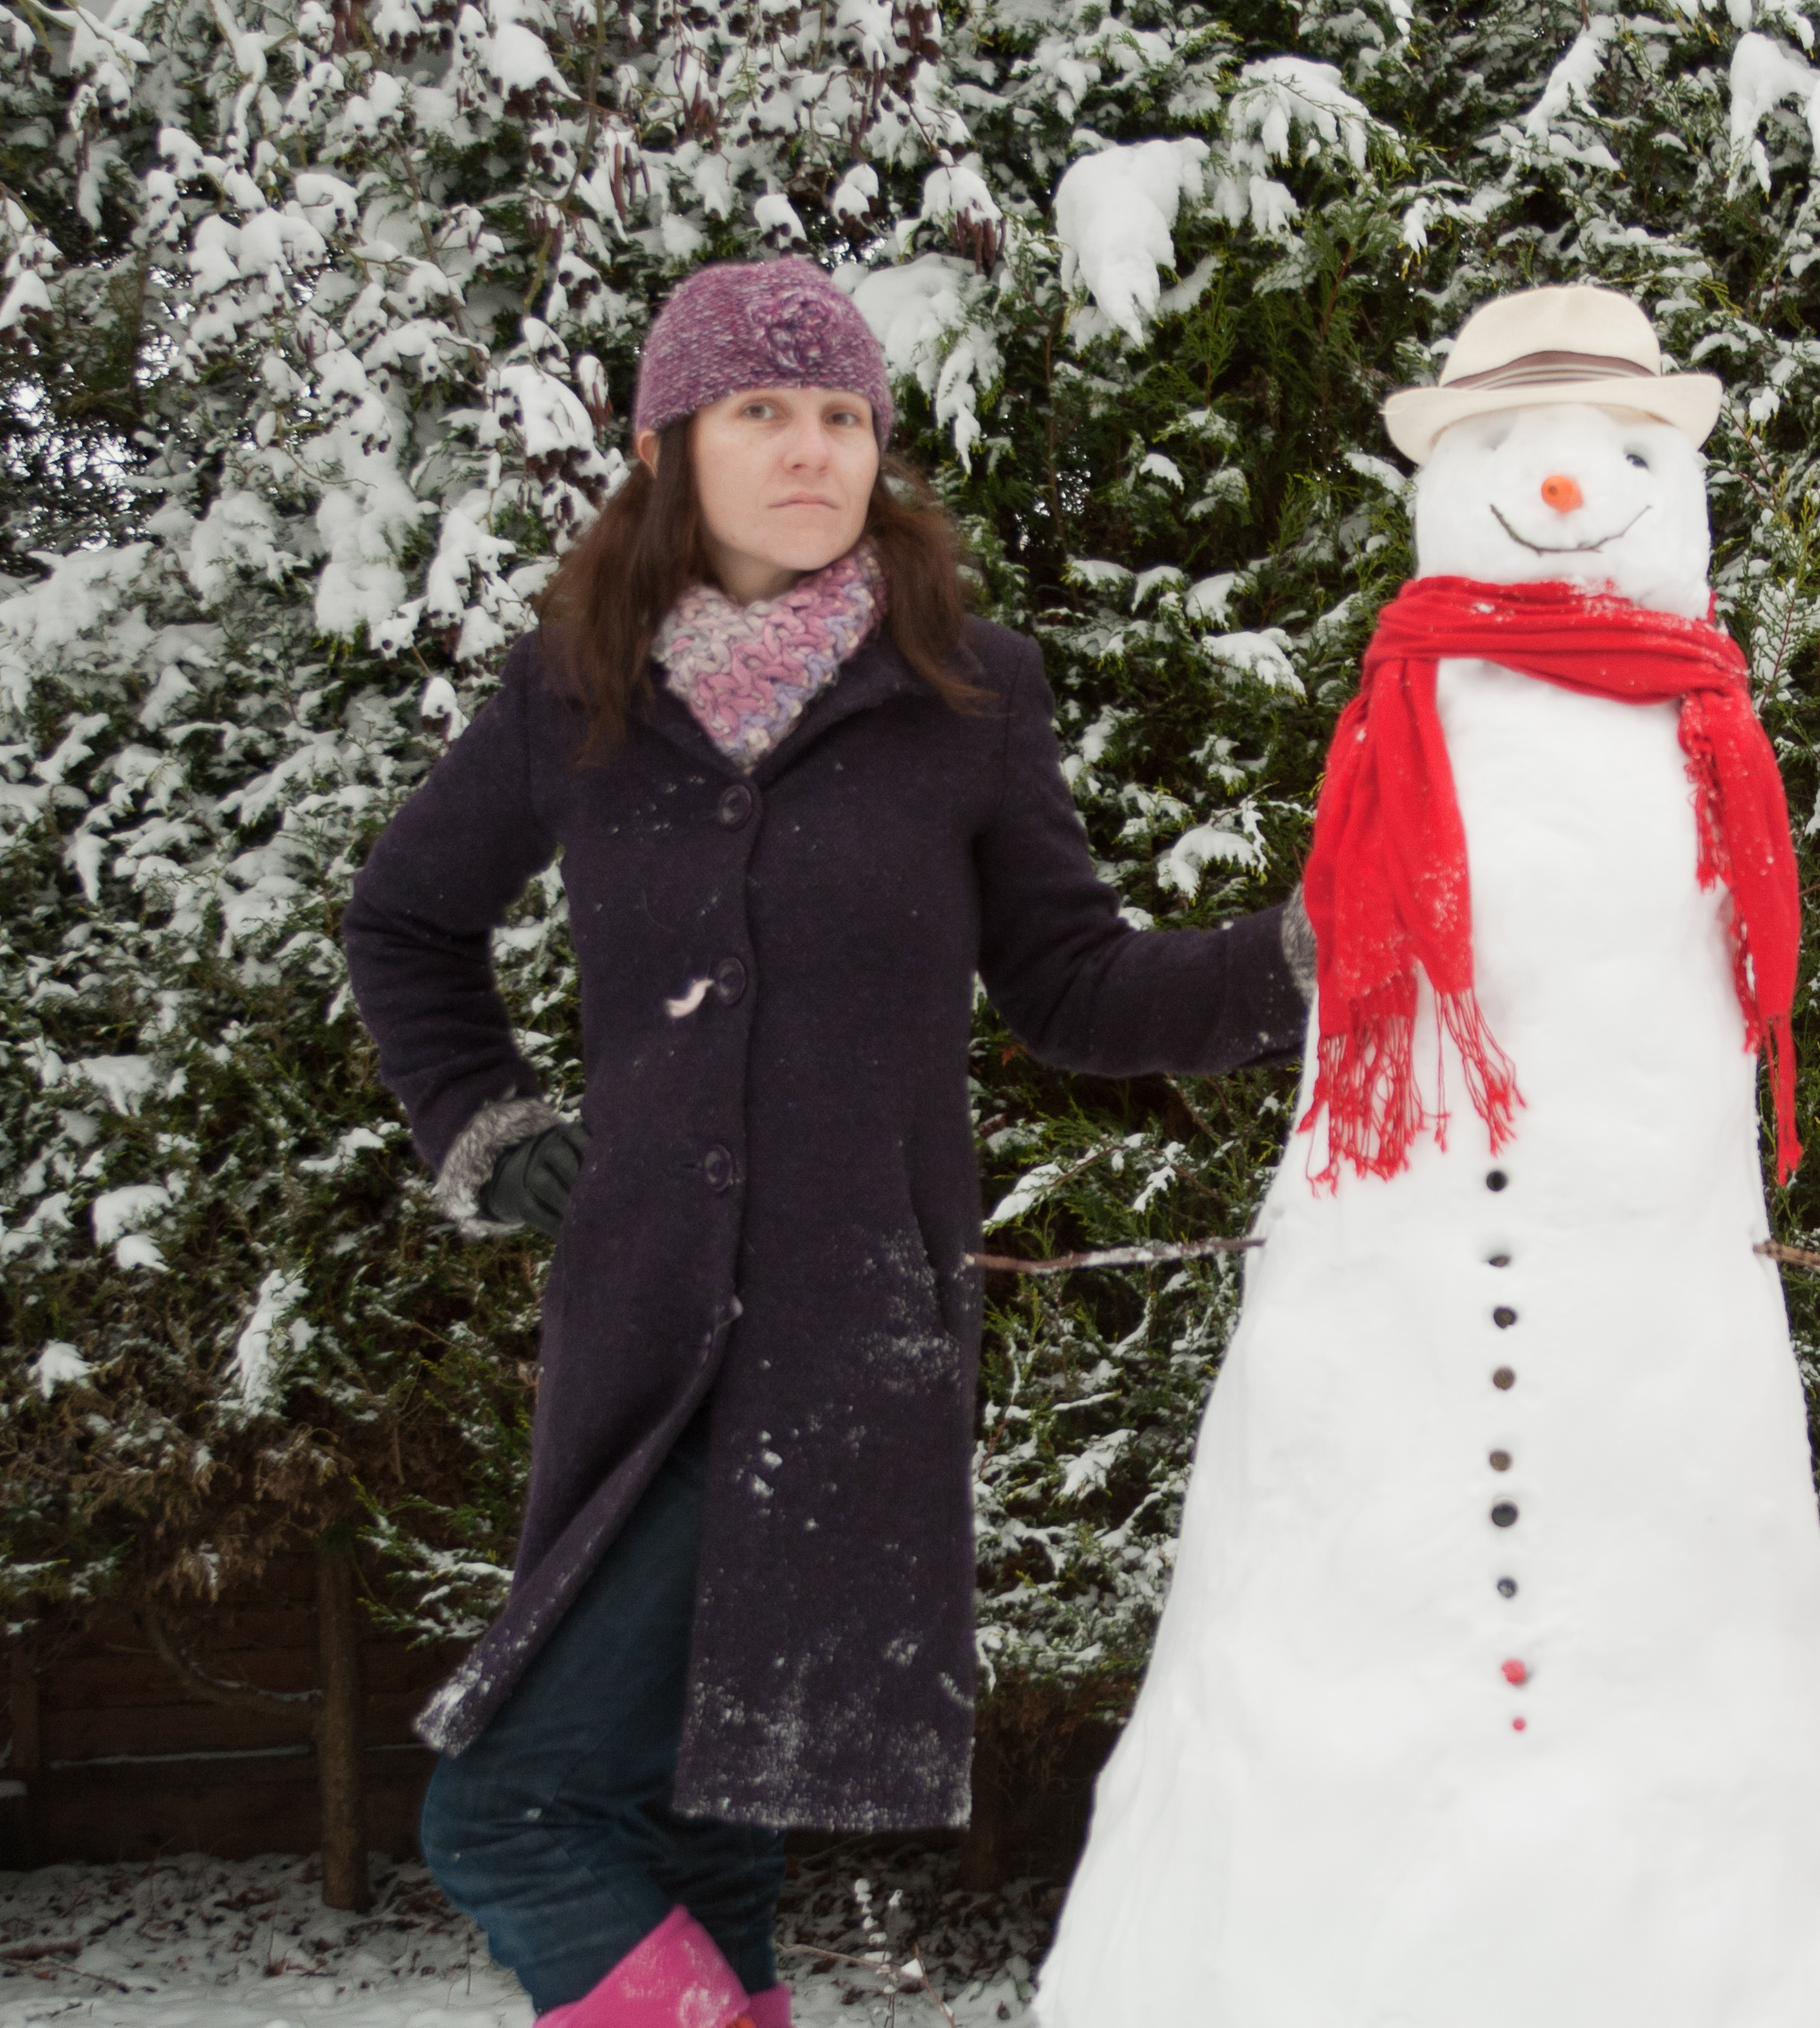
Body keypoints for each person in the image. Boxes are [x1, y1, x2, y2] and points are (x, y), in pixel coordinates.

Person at [342, 257, 1310, 2028]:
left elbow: (1075, 987)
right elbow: (406, 920)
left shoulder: (964, 692)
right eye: (761, 412)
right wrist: (476, 1114)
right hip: (638, 1339)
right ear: (665, 450)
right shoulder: (578, 694)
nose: (812, 450)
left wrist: (1304, 963)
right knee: (620, 1822)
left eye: (844, 416)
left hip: (848, 1341)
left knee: (552, 1818)